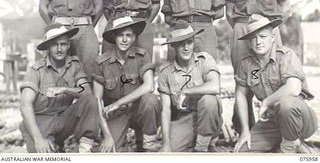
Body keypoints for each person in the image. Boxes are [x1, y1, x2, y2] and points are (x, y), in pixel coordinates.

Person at [224, 0, 291, 132]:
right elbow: (229, 9)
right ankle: (244, 128)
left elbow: (286, 5)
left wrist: (272, 27)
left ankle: (278, 127)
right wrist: (240, 30)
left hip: (269, 28)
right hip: (242, 28)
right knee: (242, 79)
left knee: (274, 75)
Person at [234, 14, 318, 153]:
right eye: (253, 38)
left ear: (272, 38)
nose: (258, 42)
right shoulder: (246, 63)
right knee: (244, 151)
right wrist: (245, 131)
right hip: (271, 122)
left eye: (263, 36)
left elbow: (293, 88)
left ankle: (289, 146)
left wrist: (266, 102)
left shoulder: (286, 56)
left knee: (286, 104)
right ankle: (295, 144)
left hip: (299, 119)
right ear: (249, 42)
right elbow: (240, 94)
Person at [19, 23, 100, 153]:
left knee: (90, 100)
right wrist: (38, 139)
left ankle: (85, 150)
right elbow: (25, 106)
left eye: (63, 44)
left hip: (63, 120)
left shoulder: (74, 65)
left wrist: (64, 89)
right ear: (48, 47)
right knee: (42, 156)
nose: (59, 49)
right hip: (40, 122)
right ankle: (50, 144)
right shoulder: (36, 70)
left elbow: (87, 92)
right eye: (55, 45)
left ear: (68, 45)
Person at [93, 16, 160, 152]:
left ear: (134, 38)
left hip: (137, 110)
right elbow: (97, 101)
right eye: (120, 35)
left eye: (128, 35)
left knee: (150, 100)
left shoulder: (142, 56)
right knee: (111, 151)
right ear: (114, 37)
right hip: (116, 114)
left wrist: (118, 103)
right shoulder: (101, 62)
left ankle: (148, 142)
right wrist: (107, 136)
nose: (124, 40)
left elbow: (149, 86)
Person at [158, 22, 223, 152]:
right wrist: (166, 143)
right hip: (185, 120)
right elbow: (165, 110)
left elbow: (215, 86)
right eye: (181, 44)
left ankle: (202, 147)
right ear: (173, 45)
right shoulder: (165, 71)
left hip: (208, 117)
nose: (186, 48)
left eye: (189, 42)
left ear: (194, 42)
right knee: (169, 150)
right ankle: (200, 141)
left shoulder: (205, 60)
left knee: (209, 100)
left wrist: (185, 92)